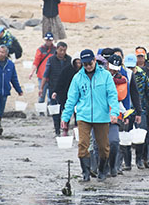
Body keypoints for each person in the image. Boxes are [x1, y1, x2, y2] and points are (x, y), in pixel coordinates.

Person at [61, 49, 119, 182]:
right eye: (85, 64)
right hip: (83, 116)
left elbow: (112, 95)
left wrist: (114, 112)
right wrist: (65, 117)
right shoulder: (77, 78)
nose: (88, 66)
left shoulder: (105, 76)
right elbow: (71, 99)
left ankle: (102, 169)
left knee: (104, 147)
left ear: (95, 61)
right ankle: (85, 173)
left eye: (90, 63)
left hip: (102, 116)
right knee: (83, 144)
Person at [125, 53, 149, 169]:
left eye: (131, 67)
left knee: (141, 136)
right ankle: (127, 162)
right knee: (125, 137)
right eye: (128, 67)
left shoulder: (142, 75)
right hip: (126, 111)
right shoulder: (122, 76)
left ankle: (139, 159)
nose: (130, 69)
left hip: (141, 110)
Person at [41, 41, 71, 136]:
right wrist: (41, 88)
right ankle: (57, 129)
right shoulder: (51, 60)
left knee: (66, 110)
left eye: (64, 50)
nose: (62, 52)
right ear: (57, 49)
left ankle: (65, 128)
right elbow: (45, 75)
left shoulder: (69, 59)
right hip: (53, 88)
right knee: (55, 112)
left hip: (66, 89)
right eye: (60, 50)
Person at [53, 51, 82, 129]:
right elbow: (60, 82)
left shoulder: (84, 72)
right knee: (67, 112)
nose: (78, 65)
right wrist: (55, 91)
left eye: (80, 63)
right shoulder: (67, 70)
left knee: (78, 115)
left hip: (81, 96)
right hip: (66, 95)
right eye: (77, 63)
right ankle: (64, 128)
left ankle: (77, 130)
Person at [29, 32, 56, 104]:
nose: (48, 42)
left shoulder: (56, 50)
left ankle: (49, 111)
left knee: (51, 96)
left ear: (52, 40)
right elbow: (36, 62)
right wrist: (32, 72)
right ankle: (41, 111)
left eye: (50, 40)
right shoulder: (40, 49)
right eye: (47, 40)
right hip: (41, 75)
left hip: (52, 76)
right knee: (41, 95)